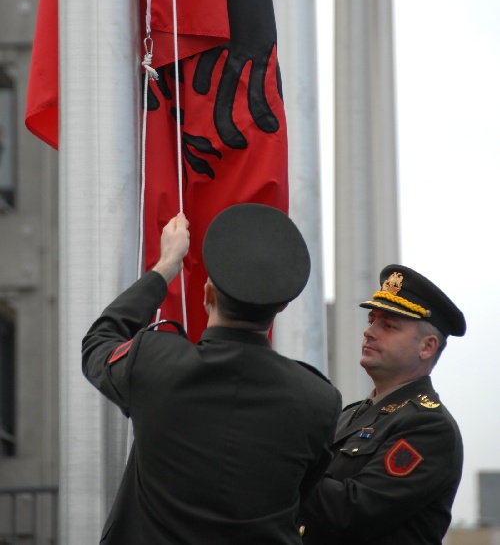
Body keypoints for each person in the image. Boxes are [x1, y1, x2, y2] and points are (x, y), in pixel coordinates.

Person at [82, 203, 342, 544]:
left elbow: (98, 343)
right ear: (281, 306)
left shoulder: (154, 361)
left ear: (207, 295)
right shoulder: (320, 401)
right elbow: (303, 492)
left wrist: (165, 267)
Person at [299, 264, 466, 545]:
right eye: (371, 320)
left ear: (427, 347)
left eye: (388, 325)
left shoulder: (429, 427)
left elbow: (349, 512)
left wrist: (284, 458)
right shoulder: (349, 415)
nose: (370, 332)